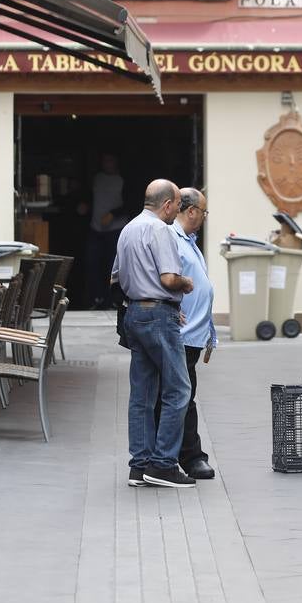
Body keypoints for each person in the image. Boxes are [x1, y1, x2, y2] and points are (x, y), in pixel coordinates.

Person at [113, 179, 196, 488]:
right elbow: (169, 278)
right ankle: (163, 464)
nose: (178, 211)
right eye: (176, 205)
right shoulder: (160, 229)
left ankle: (140, 465)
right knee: (178, 390)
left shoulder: (128, 229)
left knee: (142, 394)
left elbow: (117, 277)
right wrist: (185, 284)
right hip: (158, 316)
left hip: (135, 312)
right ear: (166, 205)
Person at [154, 187, 217, 481]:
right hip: (181, 333)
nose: (204, 218)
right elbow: (161, 277)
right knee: (181, 396)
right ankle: (188, 458)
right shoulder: (172, 239)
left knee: (182, 394)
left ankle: (178, 457)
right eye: (203, 212)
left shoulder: (188, 241)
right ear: (191, 211)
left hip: (193, 334)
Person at [84, 153, 131, 309]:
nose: (107, 163)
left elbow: (130, 204)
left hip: (116, 229)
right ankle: (96, 298)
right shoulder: (97, 178)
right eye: (104, 160)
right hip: (96, 228)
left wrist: (113, 214)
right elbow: (91, 198)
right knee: (93, 264)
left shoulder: (123, 179)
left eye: (110, 160)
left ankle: (113, 300)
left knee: (113, 266)